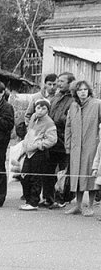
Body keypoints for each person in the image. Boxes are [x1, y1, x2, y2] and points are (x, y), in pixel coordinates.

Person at [64, 80, 101, 216]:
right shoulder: (73, 106)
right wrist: (68, 145)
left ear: (89, 91)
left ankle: (90, 206)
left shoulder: (97, 104)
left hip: (92, 146)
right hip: (75, 148)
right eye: (79, 90)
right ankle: (78, 205)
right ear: (75, 92)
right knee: (77, 177)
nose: (83, 92)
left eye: (85, 89)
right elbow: (68, 127)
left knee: (91, 176)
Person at [42, 72, 75, 208]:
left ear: (70, 83)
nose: (58, 84)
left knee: (63, 172)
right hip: (51, 139)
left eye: (62, 81)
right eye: (58, 81)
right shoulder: (55, 97)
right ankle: (48, 197)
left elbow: (70, 120)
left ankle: (61, 198)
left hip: (63, 140)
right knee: (48, 170)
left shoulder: (73, 99)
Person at [18, 98, 57, 211]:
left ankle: (33, 201)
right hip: (28, 152)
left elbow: (52, 139)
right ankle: (28, 199)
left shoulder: (49, 122)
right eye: (38, 108)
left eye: (43, 108)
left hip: (39, 153)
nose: (40, 110)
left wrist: (40, 145)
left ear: (47, 110)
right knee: (24, 176)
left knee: (35, 178)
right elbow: (29, 133)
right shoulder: (33, 118)